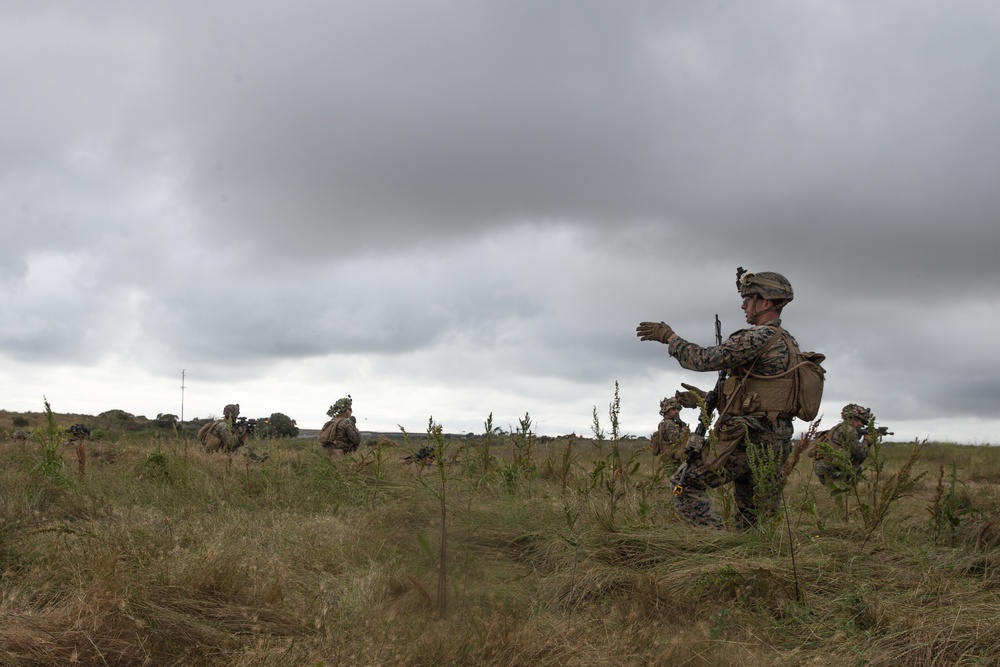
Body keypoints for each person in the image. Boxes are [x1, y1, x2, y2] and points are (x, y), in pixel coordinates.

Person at [637, 270, 801, 530]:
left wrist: (669, 337)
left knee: (684, 484)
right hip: (776, 437)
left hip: (746, 436)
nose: (743, 305)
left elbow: (703, 359)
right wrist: (704, 399)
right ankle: (750, 559)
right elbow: (759, 393)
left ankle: (716, 545)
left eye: (748, 299)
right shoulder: (788, 342)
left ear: (766, 302)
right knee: (754, 516)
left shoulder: (758, 337)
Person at [811, 403, 872, 487]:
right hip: (833, 469)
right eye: (857, 420)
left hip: (821, 467)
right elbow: (860, 455)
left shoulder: (837, 427)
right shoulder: (849, 431)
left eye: (862, 422)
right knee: (856, 469)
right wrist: (866, 442)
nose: (860, 424)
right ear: (848, 418)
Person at [650, 396, 689, 464]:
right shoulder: (669, 423)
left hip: (670, 459)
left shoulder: (665, 423)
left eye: (678, 409)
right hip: (673, 461)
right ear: (666, 410)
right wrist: (685, 430)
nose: (677, 411)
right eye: (673, 409)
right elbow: (676, 439)